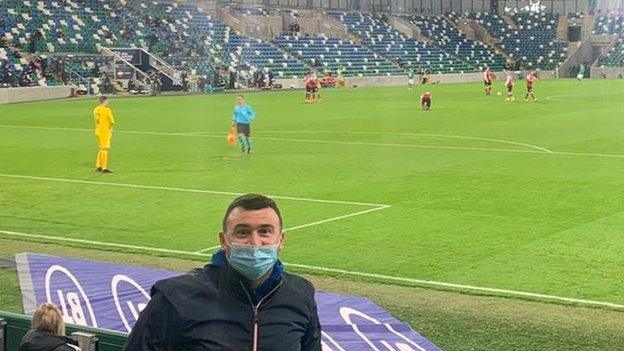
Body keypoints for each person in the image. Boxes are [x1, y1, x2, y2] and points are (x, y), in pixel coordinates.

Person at [124, 194, 322, 351]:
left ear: (281, 240)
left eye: (265, 231)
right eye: (242, 232)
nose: (255, 243)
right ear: (223, 240)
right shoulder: (175, 297)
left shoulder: (301, 294)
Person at [93, 96, 115, 173]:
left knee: (101, 148)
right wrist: (111, 128)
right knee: (105, 148)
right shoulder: (106, 110)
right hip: (104, 131)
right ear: (105, 101)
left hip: (98, 130)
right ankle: (104, 168)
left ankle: (98, 166)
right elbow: (112, 121)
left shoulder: (96, 110)